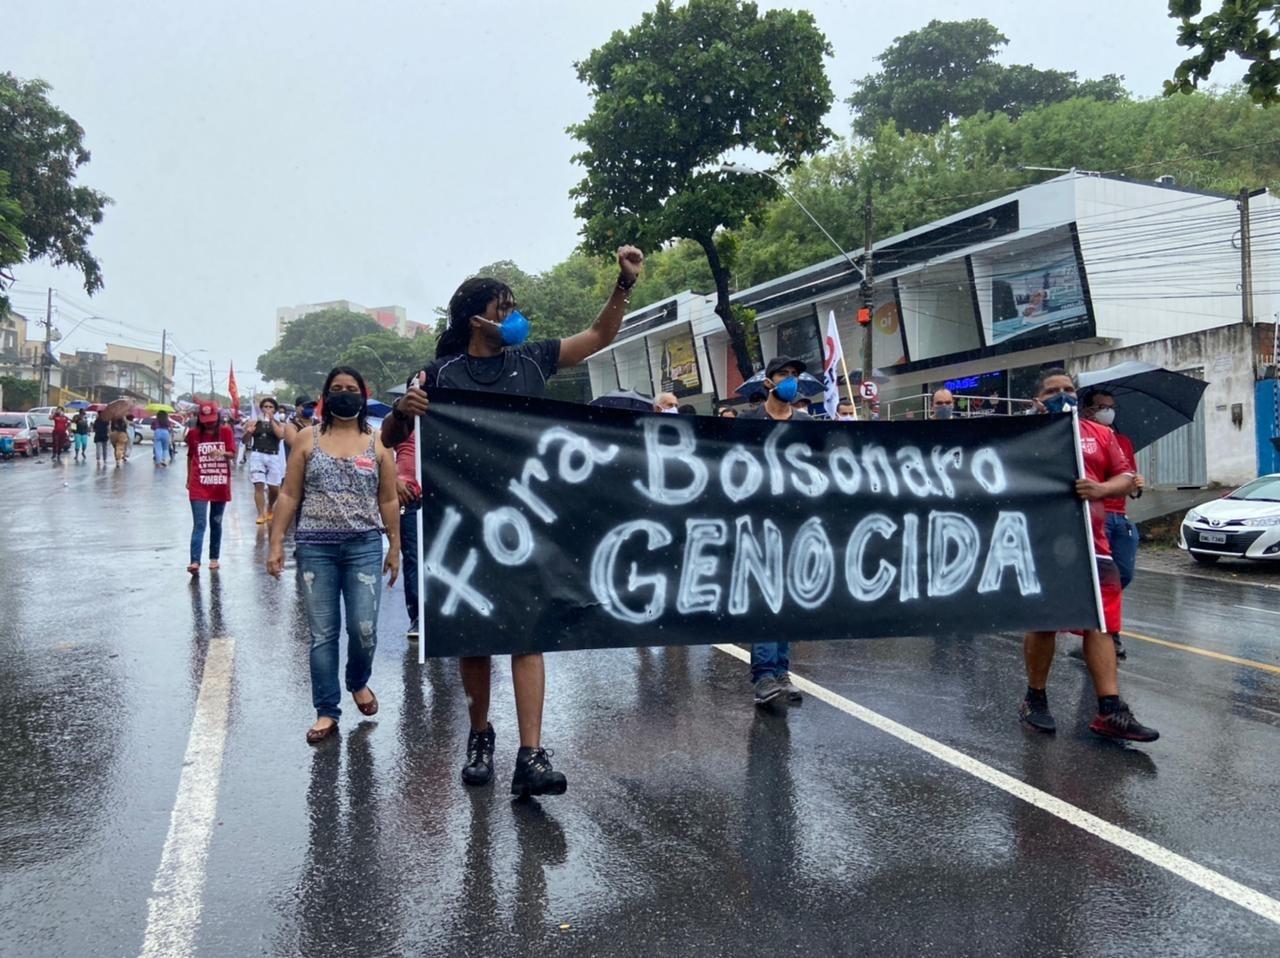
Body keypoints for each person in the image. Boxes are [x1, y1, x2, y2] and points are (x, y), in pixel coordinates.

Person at [383, 243, 643, 796]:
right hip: (462, 528)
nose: (515, 317)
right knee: (473, 638)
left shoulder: (534, 360)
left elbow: (598, 339)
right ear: (474, 318)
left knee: (529, 633)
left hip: (527, 523)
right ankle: (480, 735)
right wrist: (401, 417)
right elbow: (391, 441)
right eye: (504, 308)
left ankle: (531, 754)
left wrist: (624, 286)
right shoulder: (438, 375)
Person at [1019, 368, 1158, 743]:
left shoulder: (1101, 435)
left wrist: (1100, 489)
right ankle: (1035, 699)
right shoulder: (1020, 436)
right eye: (1053, 390)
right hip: (1040, 545)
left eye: (1068, 389)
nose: (1062, 394)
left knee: (1101, 623)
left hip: (1095, 545)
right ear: (1038, 398)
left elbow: (1127, 478)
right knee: (1044, 621)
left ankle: (1110, 710)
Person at [267, 367, 401, 746]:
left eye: (351, 389)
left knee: (364, 629)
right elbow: (290, 494)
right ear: (326, 395)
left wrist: (395, 546)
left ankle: (357, 681)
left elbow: (388, 499)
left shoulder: (378, 444)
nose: (345, 394)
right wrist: (277, 542)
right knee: (323, 635)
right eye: (337, 389)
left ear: (363, 394)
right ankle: (327, 710)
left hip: (363, 547)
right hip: (315, 549)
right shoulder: (308, 439)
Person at [739, 356, 812, 706]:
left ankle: (782, 670)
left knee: (785, 599)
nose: (791, 381)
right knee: (766, 597)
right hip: (757, 522)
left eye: (795, 376)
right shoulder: (748, 421)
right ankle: (764, 676)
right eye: (784, 375)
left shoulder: (806, 423)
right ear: (768, 382)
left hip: (795, 524)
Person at [1081, 387, 1144, 660]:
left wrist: (1136, 485)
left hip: (1122, 518)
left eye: (1111, 406)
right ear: (1088, 410)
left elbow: (1128, 479)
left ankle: (1098, 625)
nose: (1109, 411)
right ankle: (1105, 632)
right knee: (1106, 580)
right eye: (1102, 406)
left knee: (1124, 574)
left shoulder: (1122, 441)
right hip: (1098, 516)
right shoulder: (1078, 438)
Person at [185, 401, 236, 575]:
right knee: (199, 524)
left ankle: (214, 558)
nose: (209, 423)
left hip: (219, 483)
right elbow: (191, 456)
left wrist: (222, 453)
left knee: (216, 523)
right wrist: (188, 478)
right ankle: (194, 561)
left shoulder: (226, 431)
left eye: (212, 419)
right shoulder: (193, 434)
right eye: (205, 419)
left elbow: (232, 453)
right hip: (199, 483)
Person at [243, 397, 285, 525]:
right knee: (259, 484)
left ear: (275, 410)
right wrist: (249, 433)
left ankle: (270, 507)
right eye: (265, 407)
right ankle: (260, 513)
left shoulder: (280, 424)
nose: (268, 409)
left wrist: (271, 419)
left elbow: (281, 436)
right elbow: (245, 441)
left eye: (270, 407)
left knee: (274, 488)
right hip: (257, 454)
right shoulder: (254, 422)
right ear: (261, 408)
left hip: (273, 456)